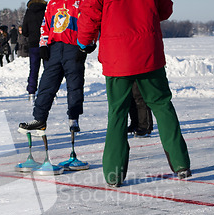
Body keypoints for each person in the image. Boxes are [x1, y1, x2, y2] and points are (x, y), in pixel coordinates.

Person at [77, 0, 191, 186]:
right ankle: (181, 164)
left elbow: (90, 13)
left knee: (117, 112)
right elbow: (164, 9)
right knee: (162, 105)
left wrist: (84, 41)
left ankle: (114, 174)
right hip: (148, 50)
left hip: (117, 55)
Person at [19, 0, 86, 133]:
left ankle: (73, 118)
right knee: (46, 84)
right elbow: (45, 25)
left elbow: (89, 24)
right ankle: (39, 119)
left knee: (74, 85)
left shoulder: (81, 2)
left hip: (73, 47)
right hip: (54, 48)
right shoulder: (52, 3)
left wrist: (85, 45)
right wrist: (43, 44)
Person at [22, 0, 47, 100]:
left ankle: (31, 92)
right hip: (45, 44)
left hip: (33, 44)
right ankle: (49, 91)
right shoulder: (46, 10)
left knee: (33, 69)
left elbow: (24, 31)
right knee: (48, 69)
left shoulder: (29, 11)